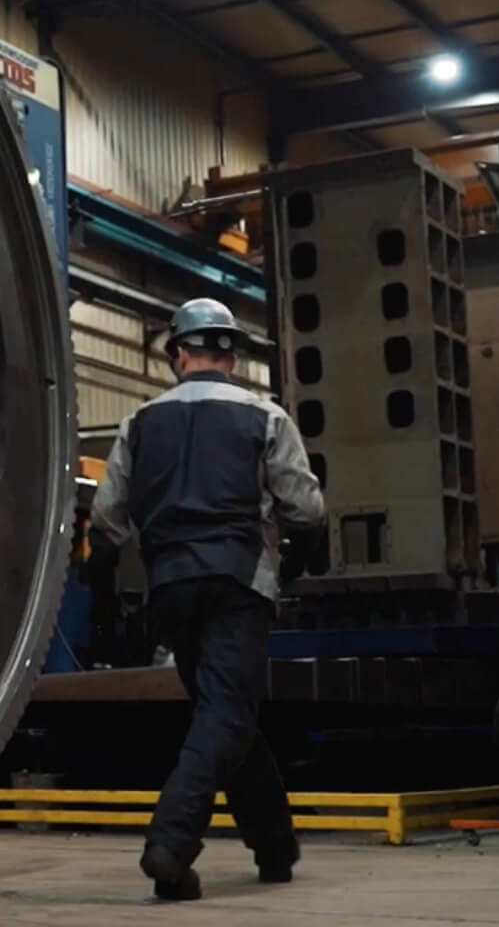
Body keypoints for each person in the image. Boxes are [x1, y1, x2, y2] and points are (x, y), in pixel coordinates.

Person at [93, 297, 327, 902]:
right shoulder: (265, 417)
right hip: (238, 582)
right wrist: (298, 549)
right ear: (234, 355)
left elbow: (107, 516)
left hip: (168, 586)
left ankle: (275, 846)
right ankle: (170, 846)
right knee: (225, 713)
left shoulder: (139, 423)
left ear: (178, 354)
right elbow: (306, 508)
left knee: (227, 712)